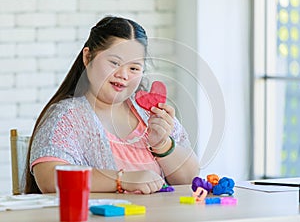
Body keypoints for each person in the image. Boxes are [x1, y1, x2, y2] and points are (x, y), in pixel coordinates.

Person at [24, 16, 200, 194]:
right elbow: (49, 178)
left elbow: (190, 180)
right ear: (87, 57)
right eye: (114, 63)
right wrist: (121, 179)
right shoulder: (67, 116)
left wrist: (163, 145)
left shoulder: (150, 114)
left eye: (134, 68)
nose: (123, 75)